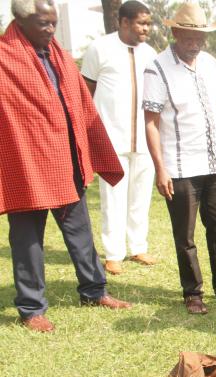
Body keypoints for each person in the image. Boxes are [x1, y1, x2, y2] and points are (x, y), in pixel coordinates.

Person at [0, 0, 131, 332]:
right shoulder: (4, 59)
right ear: (21, 20)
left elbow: (79, 104)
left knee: (80, 234)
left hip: (65, 159)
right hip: (26, 166)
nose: (50, 29)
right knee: (27, 240)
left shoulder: (59, 56)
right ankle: (31, 309)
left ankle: (94, 290)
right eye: (44, 23)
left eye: (54, 23)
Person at [142, 2, 216, 314]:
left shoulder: (211, 64)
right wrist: (160, 168)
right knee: (186, 235)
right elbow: (150, 122)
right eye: (189, 37)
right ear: (176, 32)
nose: (195, 44)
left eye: (200, 38)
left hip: (213, 163)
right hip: (179, 168)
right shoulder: (157, 67)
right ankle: (192, 293)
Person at [81, 0, 158, 275]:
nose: (146, 29)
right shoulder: (99, 48)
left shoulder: (150, 53)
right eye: (141, 23)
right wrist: (86, 133)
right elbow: (85, 93)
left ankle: (138, 246)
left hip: (145, 139)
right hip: (111, 139)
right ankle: (113, 253)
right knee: (113, 197)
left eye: (148, 23)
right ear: (123, 22)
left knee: (140, 196)